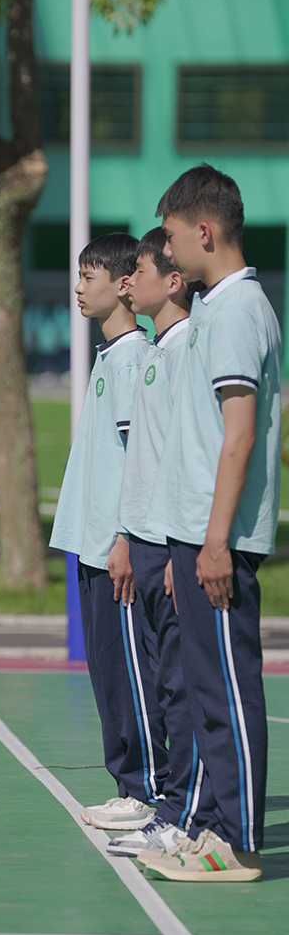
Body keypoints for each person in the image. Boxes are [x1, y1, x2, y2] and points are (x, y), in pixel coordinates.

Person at [137, 164, 281, 883]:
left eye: (170, 237)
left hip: (216, 537)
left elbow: (239, 435)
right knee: (204, 691)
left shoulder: (236, 310)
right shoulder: (214, 311)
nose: (166, 251)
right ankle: (215, 827)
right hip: (194, 535)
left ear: (204, 231)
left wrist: (216, 539)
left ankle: (237, 841)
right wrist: (182, 542)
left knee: (227, 689)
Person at [50, 233, 168, 831]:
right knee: (106, 672)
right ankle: (129, 785)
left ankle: (148, 789)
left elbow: (140, 459)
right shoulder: (109, 357)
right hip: (92, 545)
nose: (77, 288)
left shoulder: (132, 361)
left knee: (131, 674)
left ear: (124, 285)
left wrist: (124, 537)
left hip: (115, 549)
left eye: (88, 276)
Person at [105, 228, 207, 857]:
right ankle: (172, 807)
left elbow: (184, 460)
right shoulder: (155, 353)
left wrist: (175, 548)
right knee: (165, 682)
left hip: (167, 545)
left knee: (180, 684)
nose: (130, 282)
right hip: (144, 540)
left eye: (139, 271)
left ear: (172, 282)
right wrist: (129, 532)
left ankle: (182, 813)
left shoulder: (183, 352)